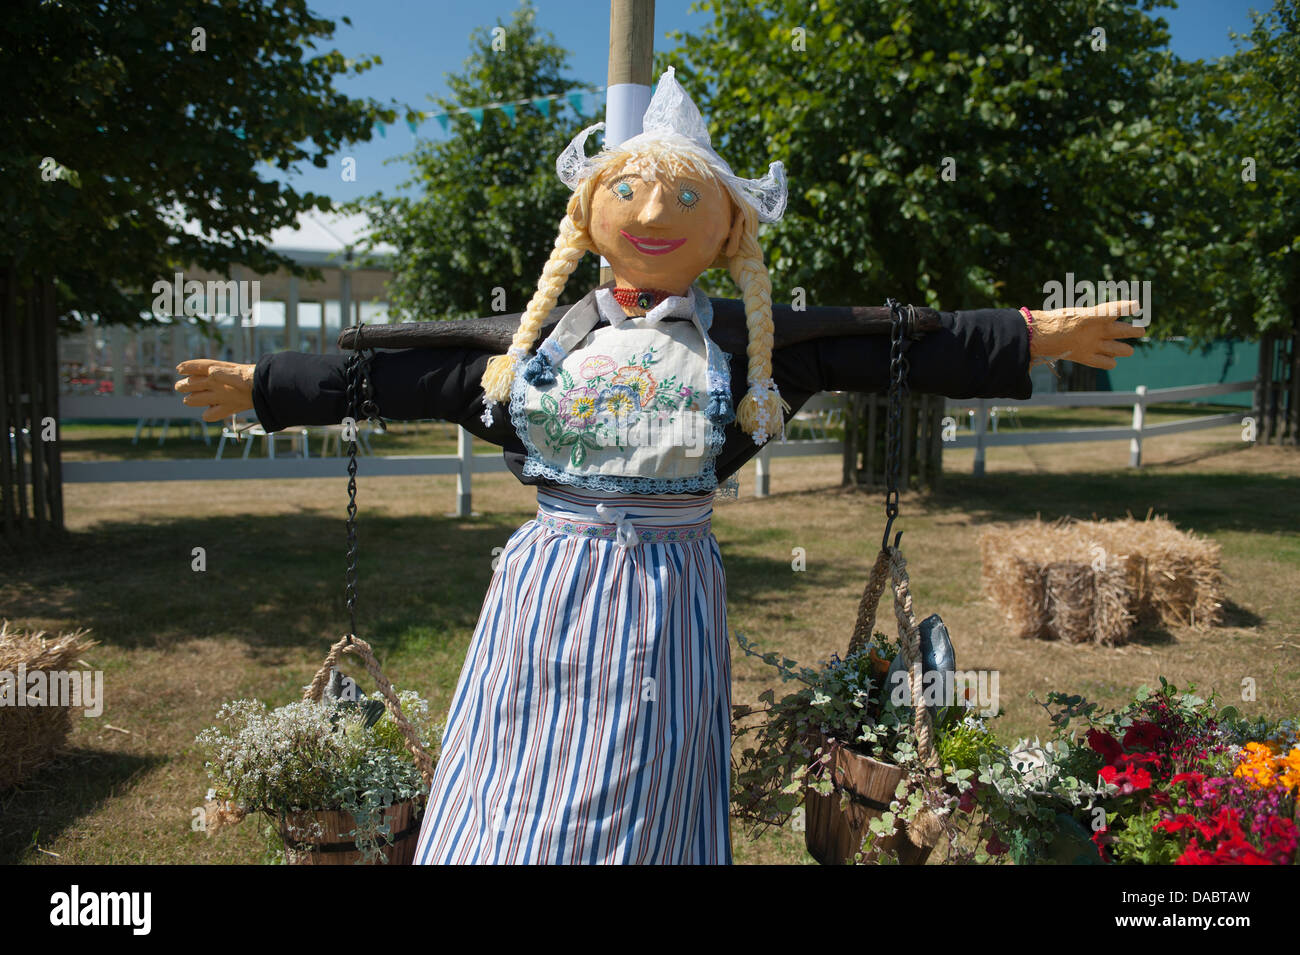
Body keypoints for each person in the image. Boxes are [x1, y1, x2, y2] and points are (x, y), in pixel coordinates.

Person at [175, 67, 1144, 864]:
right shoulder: (535, 350)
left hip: (666, 597)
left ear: (727, 230)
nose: (654, 211)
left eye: (687, 195)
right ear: (589, 213)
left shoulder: (753, 353)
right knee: (515, 763)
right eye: (630, 190)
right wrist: (270, 384)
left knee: (641, 780)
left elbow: (897, 340)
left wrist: (1032, 334)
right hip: (542, 596)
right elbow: (405, 377)